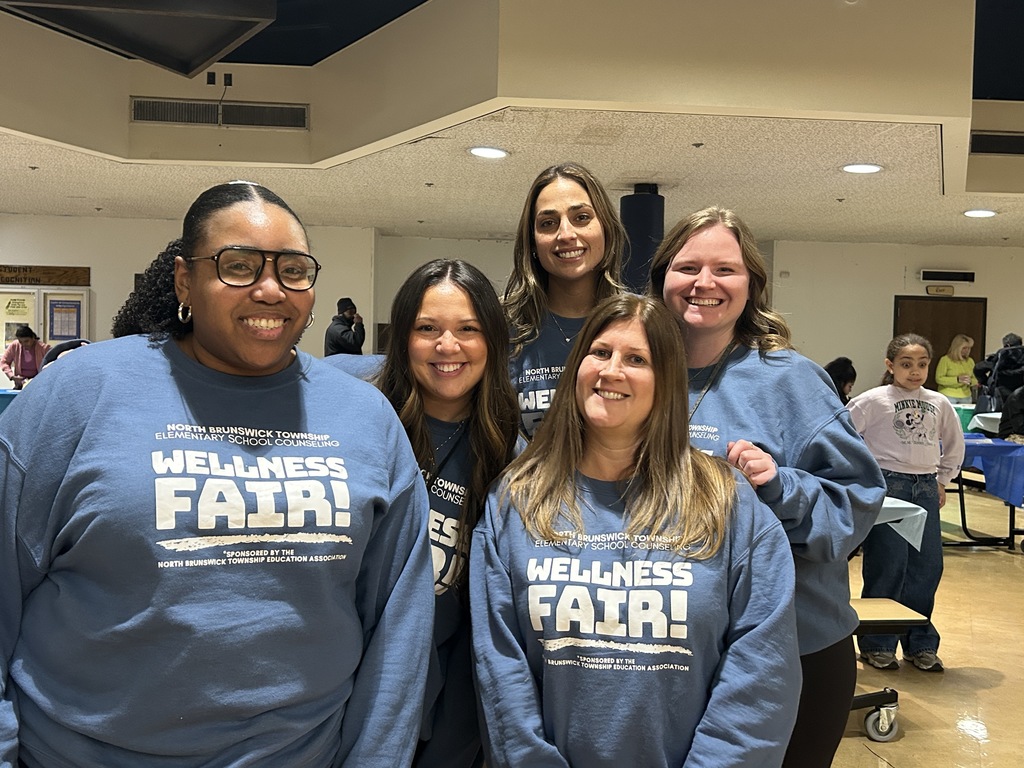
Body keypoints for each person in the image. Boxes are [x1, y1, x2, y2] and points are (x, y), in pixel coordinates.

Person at [0, 180, 435, 767]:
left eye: (293, 270)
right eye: (238, 266)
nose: (269, 289)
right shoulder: (78, 395)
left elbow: (397, 627)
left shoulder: (364, 417)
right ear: (185, 280)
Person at [472, 294, 800, 767]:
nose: (612, 371)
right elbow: (498, 671)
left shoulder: (725, 499)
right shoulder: (517, 499)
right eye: (600, 353)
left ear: (667, 382)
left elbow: (762, 671)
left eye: (637, 359)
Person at [647, 206, 886, 768]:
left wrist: (780, 485)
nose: (704, 283)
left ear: (752, 284)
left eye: (725, 269)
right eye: (687, 267)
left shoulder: (792, 379)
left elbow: (856, 505)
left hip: (796, 647)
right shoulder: (636, 372)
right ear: (662, 280)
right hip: (671, 649)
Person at [329, 259, 519, 767]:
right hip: (322, 690)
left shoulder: (509, 458)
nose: (447, 347)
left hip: (427, 708)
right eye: (427, 328)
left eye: (468, 329)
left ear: (493, 341)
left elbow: (480, 623)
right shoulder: (353, 419)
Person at [847, 334, 965, 672]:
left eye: (922, 364)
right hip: (888, 486)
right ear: (890, 366)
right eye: (906, 364)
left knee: (925, 567)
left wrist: (943, 480)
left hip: (926, 487)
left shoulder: (939, 403)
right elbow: (841, 436)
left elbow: (954, 445)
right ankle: (877, 643)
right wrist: (861, 479)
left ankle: (921, 643)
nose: (915, 371)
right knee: (888, 565)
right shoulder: (873, 400)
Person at [504, 162, 627, 438]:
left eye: (581, 217)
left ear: (605, 227)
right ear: (533, 243)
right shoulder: (503, 328)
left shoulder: (638, 323)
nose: (566, 234)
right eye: (548, 223)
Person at [974, 332, 1024, 401]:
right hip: (1020, 397)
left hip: (1000, 397)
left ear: (1007, 345)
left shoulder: (1001, 356)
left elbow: (978, 368)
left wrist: (985, 382)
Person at [935, 333, 977, 403]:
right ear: (957, 348)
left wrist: (970, 381)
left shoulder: (970, 361)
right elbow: (939, 379)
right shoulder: (945, 360)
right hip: (948, 395)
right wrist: (957, 380)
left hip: (966, 396)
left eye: (969, 348)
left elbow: (976, 378)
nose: (967, 350)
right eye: (964, 348)